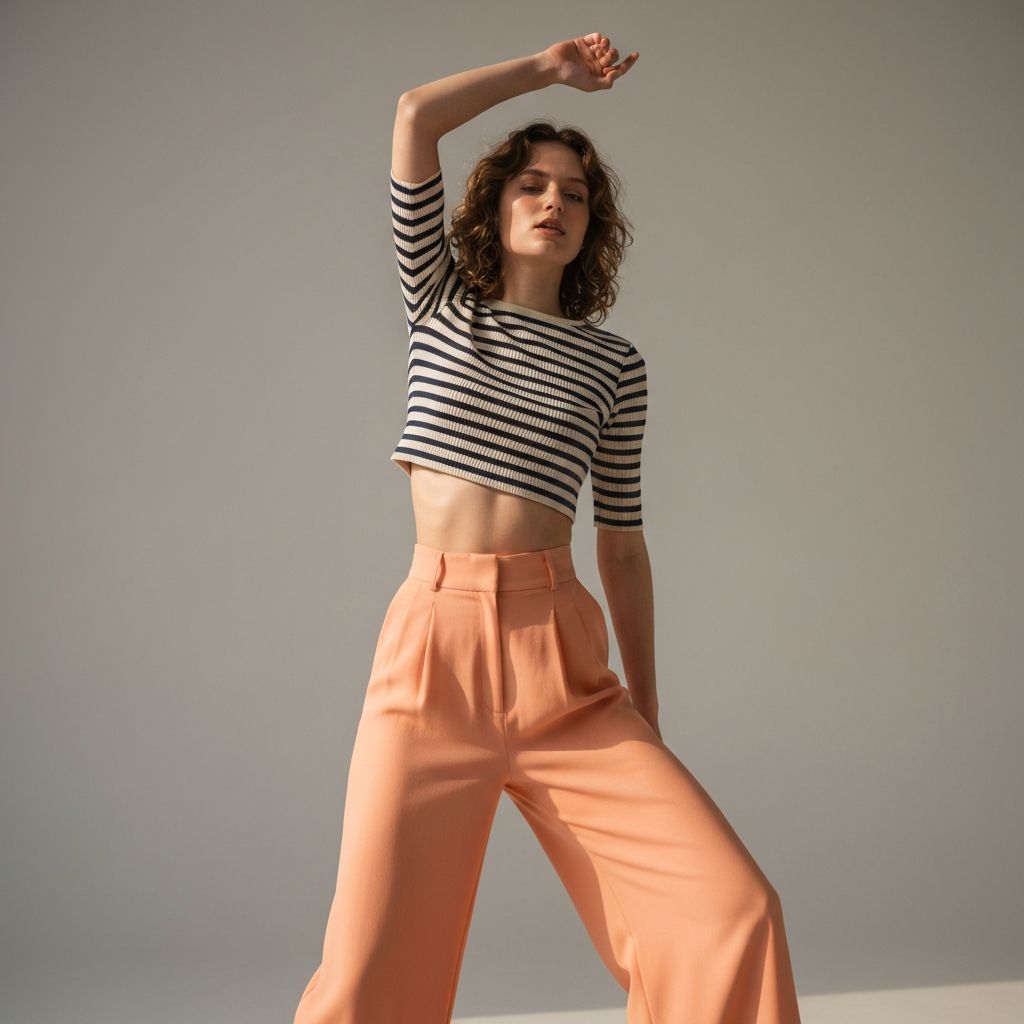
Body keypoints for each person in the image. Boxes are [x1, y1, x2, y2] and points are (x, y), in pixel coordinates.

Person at [293, 32, 802, 1024]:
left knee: (731, 909)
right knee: (368, 969)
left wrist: (646, 712)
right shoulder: (439, 305)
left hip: (562, 665)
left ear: (591, 227)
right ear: (492, 204)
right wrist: (544, 71)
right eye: (532, 184)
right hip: (429, 657)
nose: (554, 204)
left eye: (575, 194)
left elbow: (622, 541)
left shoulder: (615, 366)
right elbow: (412, 116)